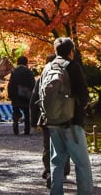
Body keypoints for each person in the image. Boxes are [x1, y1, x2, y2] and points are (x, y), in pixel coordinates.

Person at [39, 37, 93, 195]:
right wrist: (82, 107)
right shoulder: (73, 66)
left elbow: (39, 94)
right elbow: (83, 94)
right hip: (72, 121)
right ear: (71, 51)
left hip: (52, 121)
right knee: (82, 163)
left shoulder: (47, 67)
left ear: (55, 51)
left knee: (56, 161)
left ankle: (56, 192)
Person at [31, 54, 70, 188]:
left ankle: (49, 171)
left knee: (48, 145)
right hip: (64, 116)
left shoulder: (42, 78)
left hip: (46, 116)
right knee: (64, 146)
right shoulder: (65, 76)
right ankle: (63, 172)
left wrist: (33, 120)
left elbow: (34, 99)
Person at [8, 55, 35, 135]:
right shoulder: (28, 72)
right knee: (26, 112)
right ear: (26, 63)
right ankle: (27, 129)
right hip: (26, 95)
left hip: (16, 95)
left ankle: (15, 123)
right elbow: (32, 83)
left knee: (16, 110)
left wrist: (10, 94)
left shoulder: (14, 71)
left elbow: (11, 84)